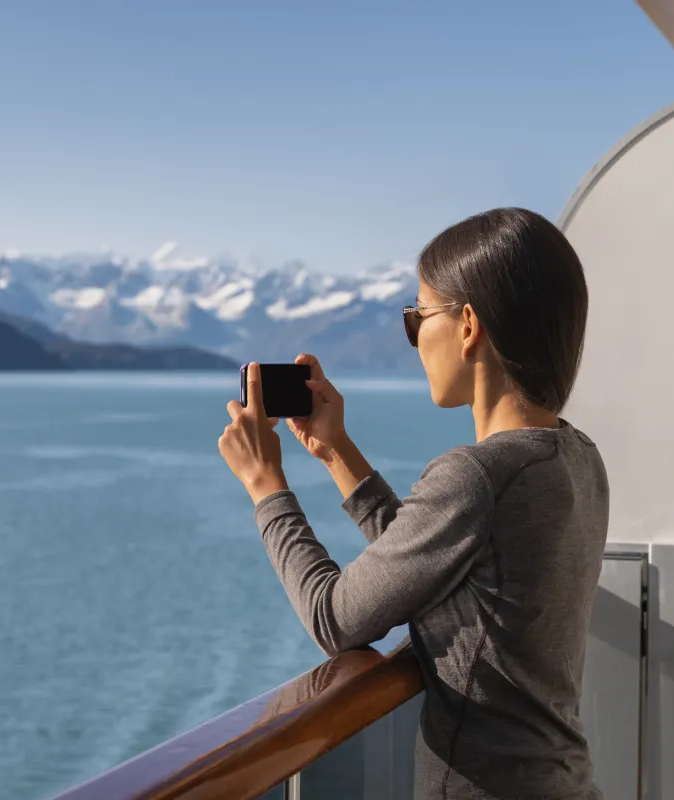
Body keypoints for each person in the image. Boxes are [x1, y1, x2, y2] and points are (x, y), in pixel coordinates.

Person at [218, 207, 608, 800]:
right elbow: (436, 556)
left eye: (416, 317)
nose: (414, 338)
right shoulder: (577, 457)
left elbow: (335, 618)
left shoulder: (477, 476)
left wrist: (266, 485)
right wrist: (335, 451)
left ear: (468, 325)